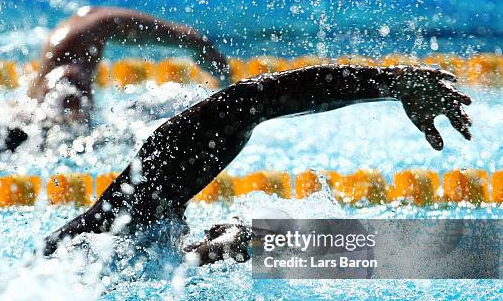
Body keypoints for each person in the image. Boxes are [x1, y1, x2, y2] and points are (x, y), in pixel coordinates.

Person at [43, 64, 473, 264]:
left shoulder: (135, 219)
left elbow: (250, 102)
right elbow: (250, 100)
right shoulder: (140, 198)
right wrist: (389, 83)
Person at [0, 7, 230, 163]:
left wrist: (190, 40)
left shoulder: (28, 110)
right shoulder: (68, 74)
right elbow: (96, 21)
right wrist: (192, 40)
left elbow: (96, 22)